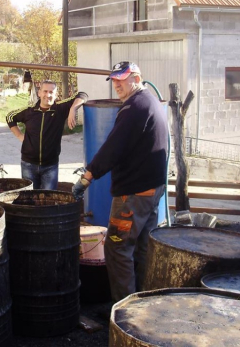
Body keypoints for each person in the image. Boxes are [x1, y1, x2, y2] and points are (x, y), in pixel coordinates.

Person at [72, 61, 168, 302]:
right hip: (152, 190)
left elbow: (113, 148)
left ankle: (124, 310)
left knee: (117, 249)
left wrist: (88, 176)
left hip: (133, 195)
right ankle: (143, 301)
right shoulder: (151, 102)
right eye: (114, 80)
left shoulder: (134, 107)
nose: (117, 84)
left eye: (122, 79)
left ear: (136, 78)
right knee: (143, 247)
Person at [6, 80, 88, 190]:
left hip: (50, 166)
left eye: (51, 92)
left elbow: (83, 95)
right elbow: (10, 117)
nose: (48, 95)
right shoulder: (29, 111)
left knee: (48, 201)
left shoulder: (60, 109)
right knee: (29, 199)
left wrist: (73, 109)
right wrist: (20, 136)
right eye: (45, 91)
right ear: (39, 93)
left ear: (56, 94)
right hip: (28, 165)